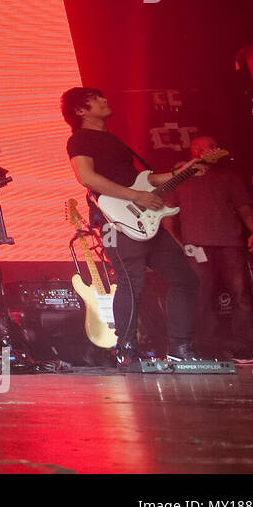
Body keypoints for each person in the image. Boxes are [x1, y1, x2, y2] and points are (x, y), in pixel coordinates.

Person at [62, 87, 203, 363]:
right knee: (131, 283)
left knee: (185, 279)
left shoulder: (115, 141)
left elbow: (145, 180)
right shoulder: (79, 140)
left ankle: (181, 349)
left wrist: (183, 171)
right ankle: (127, 350)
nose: (105, 100)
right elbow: (87, 177)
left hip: (143, 218)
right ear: (80, 110)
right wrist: (135, 196)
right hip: (116, 220)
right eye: (95, 99)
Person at [163, 137, 253, 359]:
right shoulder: (181, 178)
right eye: (212, 146)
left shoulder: (228, 176)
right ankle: (203, 346)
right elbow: (166, 216)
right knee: (200, 296)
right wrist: (179, 244)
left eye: (218, 144)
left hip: (230, 243)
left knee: (240, 296)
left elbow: (244, 206)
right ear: (197, 151)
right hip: (196, 246)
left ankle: (245, 347)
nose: (217, 148)